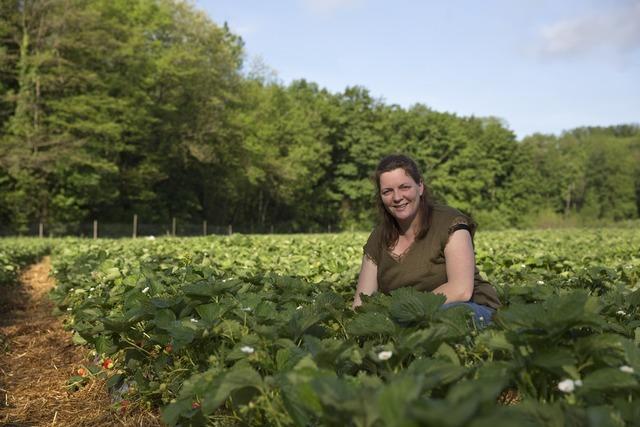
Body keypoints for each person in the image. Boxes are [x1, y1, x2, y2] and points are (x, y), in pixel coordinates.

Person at [352, 154, 500, 324]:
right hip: (409, 318)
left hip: (470, 310)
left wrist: (404, 311)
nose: (397, 197)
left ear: (420, 186)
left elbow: (461, 290)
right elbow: (361, 303)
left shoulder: (449, 222)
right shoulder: (378, 238)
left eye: (404, 187)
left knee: (439, 319)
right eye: (387, 191)